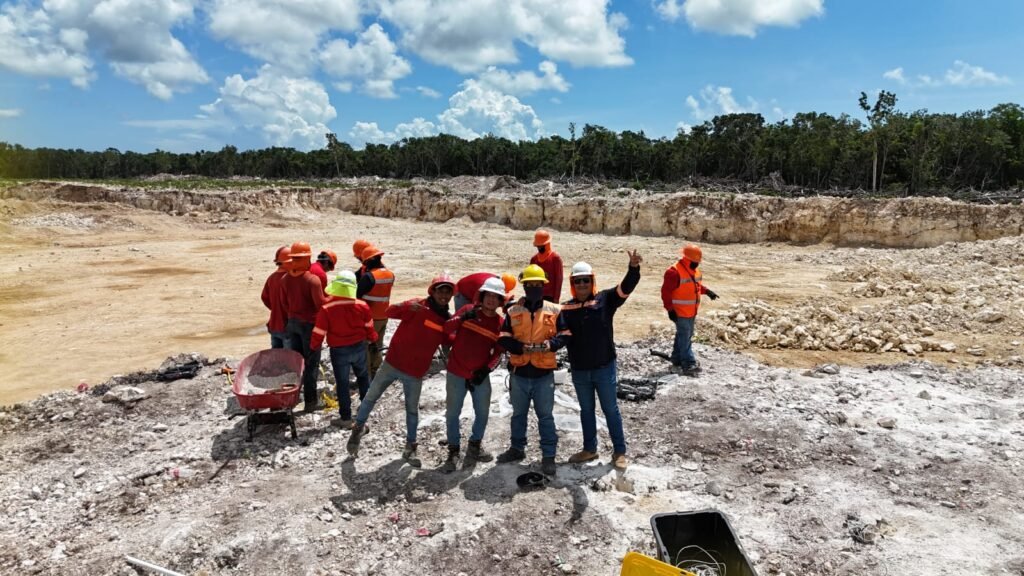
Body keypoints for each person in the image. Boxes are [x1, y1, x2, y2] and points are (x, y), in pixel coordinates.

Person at [347, 274, 455, 468]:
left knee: (411, 410)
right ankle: (358, 428)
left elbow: (449, 340)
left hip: (415, 371)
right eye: (441, 290)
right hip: (392, 363)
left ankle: (410, 446)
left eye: (448, 292)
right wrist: (406, 307)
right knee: (371, 397)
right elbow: (389, 311)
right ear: (433, 291)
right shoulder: (416, 306)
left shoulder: (446, 320)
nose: (444, 295)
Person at [557, 251, 642, 471]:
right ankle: (589, 448)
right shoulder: (566, 308)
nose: (582, 284)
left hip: (604, 367)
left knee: (610, 409)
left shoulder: (605, 299)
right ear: (573, 283)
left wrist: (633, 268)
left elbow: (626, 288)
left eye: (586, 280)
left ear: (592, 281)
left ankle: (619, 451)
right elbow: (556, 331)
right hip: (580, 370)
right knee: (586, 410)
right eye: (578, 281)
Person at [496, 264, 569, 476]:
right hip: (519, 373)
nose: (534, 288)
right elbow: (503, 338)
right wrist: (520, 347)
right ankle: (517, 448)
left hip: (543, 374)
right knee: (518, 414)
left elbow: (566, 334)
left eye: (538, 284)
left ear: (543, 286)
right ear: (524, 286)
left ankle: (548, 456)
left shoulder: (554, 310)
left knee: (545, 416)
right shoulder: (513, 310)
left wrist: (550, 345)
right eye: (530, 285)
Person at [441, 277, 507, 472]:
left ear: (500, 301)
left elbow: (498, 353)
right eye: (489, 295)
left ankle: (475, 445)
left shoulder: (500, 324)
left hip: (479, 375)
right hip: (456, 372)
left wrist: (485, 370)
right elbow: (447, 329)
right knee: (452, 413)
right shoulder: (467, 311)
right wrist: (461, 318)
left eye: (496, 297)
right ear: (482, 296)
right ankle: (453, 450)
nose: (491, 300)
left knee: (483, 412)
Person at [311, 271, 377, 427]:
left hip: (339, 350)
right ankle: (365, 411)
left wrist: (313, 347)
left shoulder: (327, 308)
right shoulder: (362, 305)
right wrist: (373, 339)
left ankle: (346, 418)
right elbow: (369, 327)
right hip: (359, 347)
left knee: (342, 383)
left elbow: (319, 332)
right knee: (363, 377)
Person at [280, 241, 326, 410]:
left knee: (297, 364)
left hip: (292, 323)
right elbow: (320, 305)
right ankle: (310, 402)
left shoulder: (285, 279)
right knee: (311, 364)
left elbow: (284, 304)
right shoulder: (312, 280)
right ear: (306, 258)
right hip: (310, 326)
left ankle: (292, 398)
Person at [661, 244, 719, 376]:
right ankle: (688, 363)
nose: (697, 264)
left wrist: (707, 292)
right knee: (685, 335)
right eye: (695, 262)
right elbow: (666, 293)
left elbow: (695, 285)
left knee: (683, 334)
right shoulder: (674, 272)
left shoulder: (693, 271)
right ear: (687, 259)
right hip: (680, 311)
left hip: (691, 311)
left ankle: (676, 359)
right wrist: (670, 310)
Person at [356, 245, 394, 378]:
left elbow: (357, 295)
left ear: (368, 261)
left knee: (366, 347)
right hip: (384, 316)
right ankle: (377, 372)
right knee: (377, 345)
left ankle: (366, 376)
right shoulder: (390, 274)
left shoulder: (369, 277)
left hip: (370, 318)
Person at [261, 245, 291, 349]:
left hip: (274, 325)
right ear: (288, 262)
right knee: (289, 359)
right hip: (287, 327)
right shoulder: (290, 279)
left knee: (276, 358)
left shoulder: (271, 278)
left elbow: (264, 298)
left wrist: (275, 309)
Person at [529, 229, 564, 303]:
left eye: (541, 246)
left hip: (550, 297)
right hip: (536, 296)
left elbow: (559, 279)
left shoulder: (555, 258)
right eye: (538, 246)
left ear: (547, 244)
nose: (539, 248)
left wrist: (556, 298)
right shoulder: (534, 259)